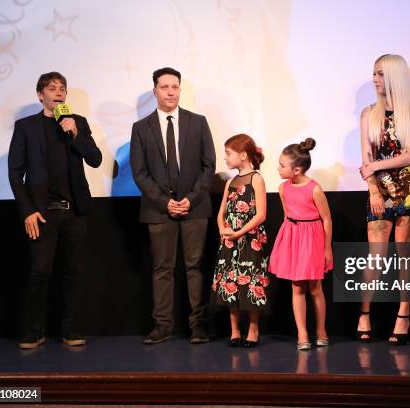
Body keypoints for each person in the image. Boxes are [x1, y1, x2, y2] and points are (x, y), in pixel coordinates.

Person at [8, 71, 102, 349]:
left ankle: (70, 330)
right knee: (40, 272)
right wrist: (27, 211)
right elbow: (15, 173)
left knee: (73, 272)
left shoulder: (78, 123)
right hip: (42, 213)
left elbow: (95, 160)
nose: (59, 92)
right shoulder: (26, 127)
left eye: (63, 88)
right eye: (52, 88)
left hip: (74, 212)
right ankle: (33, 330)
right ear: (41, 95)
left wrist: (75, 133)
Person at [130, 67, 216, 344]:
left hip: (196, 208)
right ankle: (163, 326)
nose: (170, 91)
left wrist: (191, 198)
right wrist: (165, 202)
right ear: (155, 90)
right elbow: (139, 172)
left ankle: (198, 326)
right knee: (162, 269)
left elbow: (208, 165)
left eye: (175, 86)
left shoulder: (198, 122)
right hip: (158, 210)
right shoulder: (141, 128)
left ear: (180, 90)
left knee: (195, 267)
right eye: (164, 87)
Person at [358, 54, 410, 344]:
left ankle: (404, 315)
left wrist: (374, 166)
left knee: (404, 254)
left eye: (380, 74)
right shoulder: (368, 114)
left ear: (395, 76)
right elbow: (366, 157)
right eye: (374, 74)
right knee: (377, 256)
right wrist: (374, 188)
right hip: (379, 188)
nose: (375, 80)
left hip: (407, 185)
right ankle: (364, 312)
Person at [269, 138, 333, 350]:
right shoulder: (282, 188)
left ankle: (321, 330)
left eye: (282, 165)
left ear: (296, 169)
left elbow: (326, 218)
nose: (278, 168)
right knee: (297, 286)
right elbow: (288, 216)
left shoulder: (314, 189)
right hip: (293, 237)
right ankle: (302, 334)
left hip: (312, 238)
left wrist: (326, 248)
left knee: (315, 287)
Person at [212, 134, 270, 348]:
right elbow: (222, 211)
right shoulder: (230, 182)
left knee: (251, 281)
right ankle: (235, 330)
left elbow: (260, 214)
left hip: (250, 239)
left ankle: (253, 329)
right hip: (229, 240)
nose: (225, 158)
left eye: (228, 153)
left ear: (243, 155)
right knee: (230, 283)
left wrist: (239, 233)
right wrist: (223, 229)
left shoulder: (256, 178)